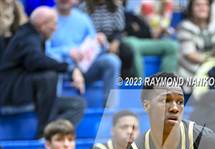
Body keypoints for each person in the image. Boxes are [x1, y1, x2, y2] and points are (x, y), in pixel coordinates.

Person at [0, 6, 85, 137]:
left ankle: (51, 134)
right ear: (42, 25)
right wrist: (69, 68)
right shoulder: (27, 36)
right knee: (49, 76)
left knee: (77, 104)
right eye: (54, 24)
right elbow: (36, 61)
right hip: (11, 94)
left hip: (27, 92)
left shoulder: (33, 35)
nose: (56, 28)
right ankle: (44, 131)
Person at [47, 0, 121, 102]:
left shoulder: (82, 18)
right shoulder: (46, 17)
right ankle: (54, 108)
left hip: (84, 67)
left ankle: (110, 109)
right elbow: (43, 52)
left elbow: (95, 46)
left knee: (112, 61)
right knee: (52, 62)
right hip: (61, 67)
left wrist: (102, 43)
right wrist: (67, 52)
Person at [79, 0, 135, 79]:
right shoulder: (84, 7)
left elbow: (119, 31)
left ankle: (123, 82)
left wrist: (116, 42)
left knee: (127, 51)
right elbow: (81, 31)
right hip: (91, 41)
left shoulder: (116, 6)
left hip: (111, 39)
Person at [176, 0, 215, 85]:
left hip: (214, 67)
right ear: (191, 9)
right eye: (198, 5)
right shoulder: (184, 27)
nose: (202, 8)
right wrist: (212, 61)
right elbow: (190, 55)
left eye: (205, 5)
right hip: (192, 71)